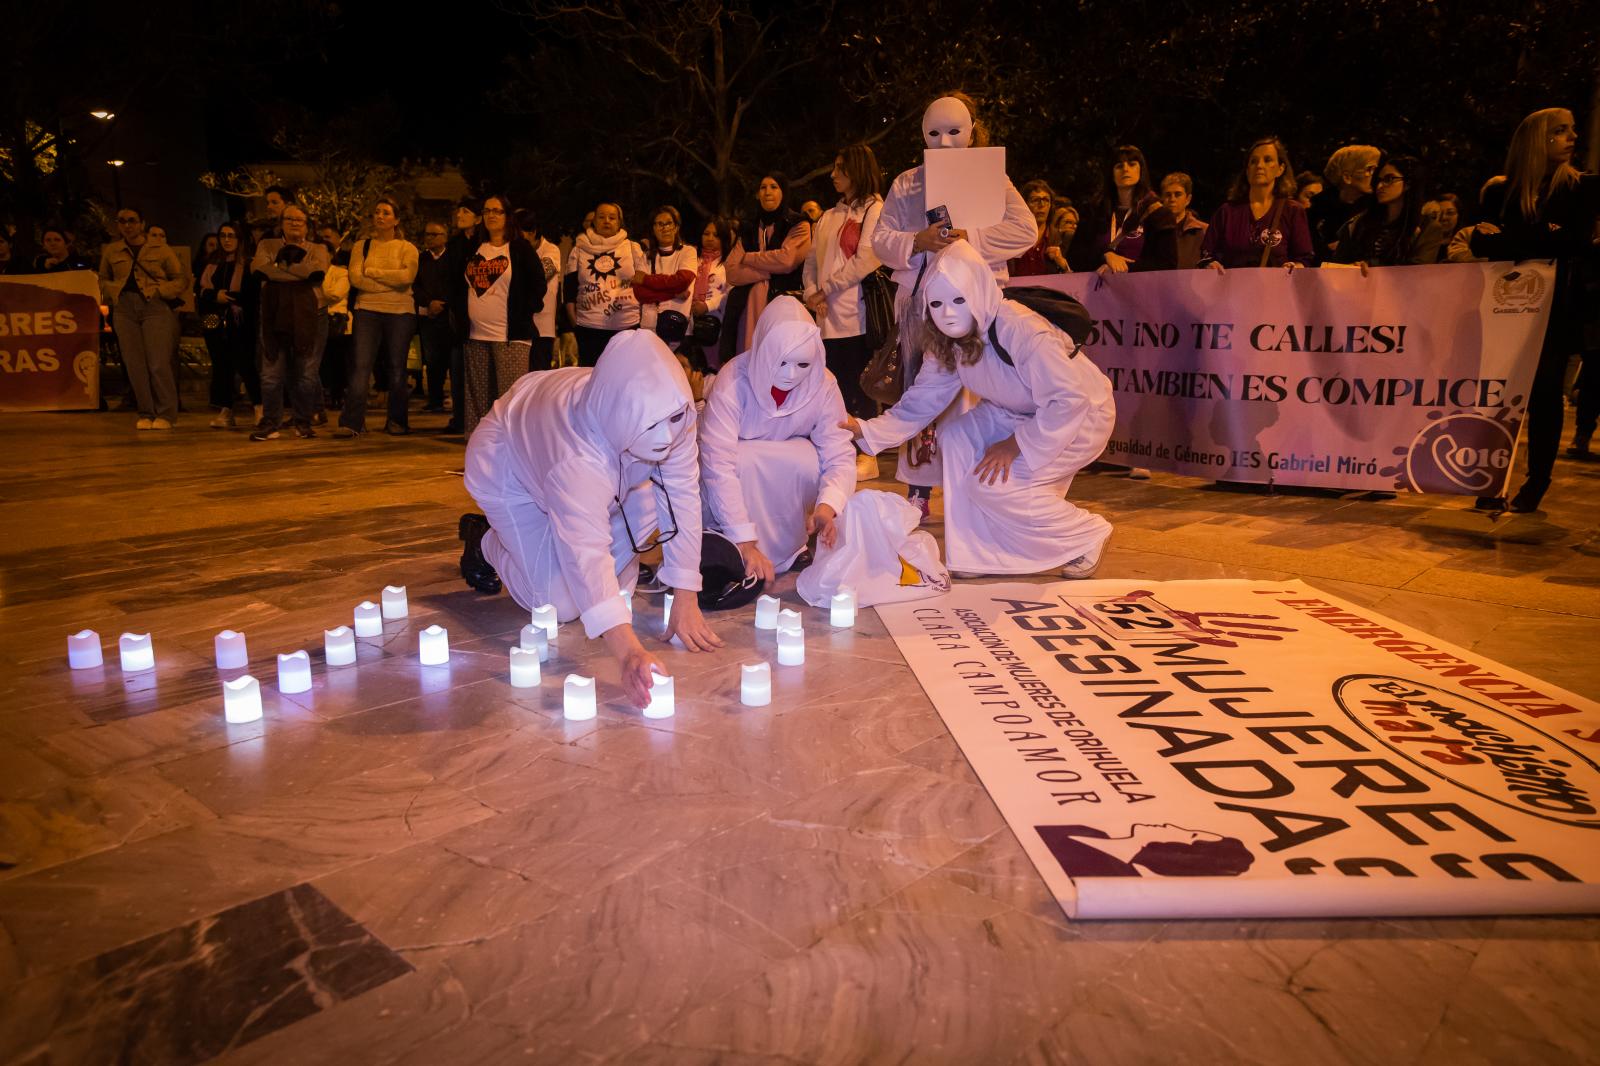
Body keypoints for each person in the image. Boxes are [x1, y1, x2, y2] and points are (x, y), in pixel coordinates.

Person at [459, 330, 724, 708]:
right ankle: (486, 541)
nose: (667, 436)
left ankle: (545, 539)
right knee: (558, 605)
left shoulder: (672, 409)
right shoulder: (577, 461)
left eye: (674, 419)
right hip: (508, 462)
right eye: (651, 425)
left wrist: (686, 594)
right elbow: (586, 551)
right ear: (621, 412)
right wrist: (629, 652)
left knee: (636, 519)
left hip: (574, 464)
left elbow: (681, 493)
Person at [844, 241, 1115, 577]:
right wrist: (865, 430)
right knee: (955, 436)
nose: (948, 313)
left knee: (992, 486)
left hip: (1078, 416)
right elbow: (922, 399)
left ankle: (1085, 534)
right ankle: (975, 551)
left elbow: (1069, 400)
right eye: (937, 304)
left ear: (978, 294)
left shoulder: (1021, 329)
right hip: (1015, 409)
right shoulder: (946, 341)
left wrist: (1014, 445)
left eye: (959, 300)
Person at [871, 90, 1037, 523]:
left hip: (979, 302)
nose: (944, 142)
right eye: (934, 132)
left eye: (954, 131)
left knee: (980, 391)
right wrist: (915, 242)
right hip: (922, 302)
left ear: (972, 130)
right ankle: (920, 490)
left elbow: (1026, 229)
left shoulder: (991, 178)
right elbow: (881, 238)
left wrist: (973, 237)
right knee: (924, 388)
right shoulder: (907, 182)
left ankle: (980, 488)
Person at [1470, 107, 1600, 513]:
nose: (1572, 137)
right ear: (1536, 139)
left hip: (1556, 309)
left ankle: (1537, 480)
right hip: (1505, 311)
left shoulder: (1581, 188)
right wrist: (1540, 236)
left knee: (1544, 394)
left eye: (1573, 131)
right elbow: (1481, 244)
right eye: (1561, 131)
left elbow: (1574, 243)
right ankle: (1490, 476)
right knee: (1499, 394)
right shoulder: (1498, 192)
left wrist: (1514, 238)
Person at [700, 296, 855, 582]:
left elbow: (839, 452)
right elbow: (716, 463)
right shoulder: (733, 380)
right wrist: (744, 540)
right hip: (736, 482)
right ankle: (731, 544)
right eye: (781, 362)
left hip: (786, 479)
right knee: (743, 458)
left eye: (803, 364)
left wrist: (828, 505)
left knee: (809, 458)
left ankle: (791, 546)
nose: (791, 374)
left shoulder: (824, 383)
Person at [804, 143, 885, 443]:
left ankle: (866, 449)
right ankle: (837, 447)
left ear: (858, 170)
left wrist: (826, 290)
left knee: (859, 386)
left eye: (841, 168)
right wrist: (812, 293)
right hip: (825, 318)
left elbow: (866, 259)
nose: (833, 174)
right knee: (831, 386)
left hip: (856, 317)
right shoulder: (828, 215)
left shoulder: (876, 209)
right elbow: (811, 260)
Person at [449, 194, 545, 435]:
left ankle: (511, 452)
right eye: (487, 211)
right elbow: (455, 283)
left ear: (507, 216)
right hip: (475, 336)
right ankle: (481, 449)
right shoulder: (473, 248)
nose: (491, 215)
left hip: (510, 337)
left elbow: (538, 285)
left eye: (497, 211)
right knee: (478, 402)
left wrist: (523, 311)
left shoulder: (519, 248)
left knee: (510, 400)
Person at [98, 206, 189, 430]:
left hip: (154, 306)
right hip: (124, 308)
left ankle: (166, 413)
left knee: (158, 362)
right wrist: (113, 291)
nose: (127, 225)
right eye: (121, 221)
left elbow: (180, 279)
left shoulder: (160, 248)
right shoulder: (112, 251)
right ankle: (146, 411)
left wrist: (161, 291)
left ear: (142, 223)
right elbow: (102, 278)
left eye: (131, 220)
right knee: (134, 364)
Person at [337, 196, 418, 437]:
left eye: (386, 212)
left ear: (396, 219)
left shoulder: (408, 248)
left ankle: (397, 420)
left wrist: (372, 272)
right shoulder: (362, 246)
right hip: (367, 310)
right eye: (377, 212)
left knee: (396, 368)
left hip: (400, 313)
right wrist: (388, 282)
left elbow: (407, 279)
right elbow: (355, 279)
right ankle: (352, 421)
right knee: (361, 366)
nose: (380, 216)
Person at [249, 205, 330, 441]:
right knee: (271, 372)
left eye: (300, 220)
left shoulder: (318, 249)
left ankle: (303, 421)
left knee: (306, 372)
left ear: (307, 225)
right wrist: (300, 272)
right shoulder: (267, 246)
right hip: (274, 315)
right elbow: (259, 271)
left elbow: (318, 273)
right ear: (281, 223)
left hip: (312, 315)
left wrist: (281, 267)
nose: (295, 223)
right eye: (290, 219)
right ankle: (270, 421)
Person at [723, 173, 812, 356]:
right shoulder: (748, 227)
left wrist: (747, 258)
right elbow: (732, 271)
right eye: (763, 187)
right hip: (745, 310)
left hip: (781, 303)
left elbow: (787, 260)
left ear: (783, 192)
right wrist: (769, 271)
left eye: (774, 187)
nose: (767, 192)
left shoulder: (798, 224)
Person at [1199, 137, 1314, 271]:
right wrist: (1210, 264)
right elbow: (1206, 254)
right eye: (1253, 161)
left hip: (1276, 290)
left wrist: (1295, 266)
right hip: (1234, 290)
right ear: (1247, 170)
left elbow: (1304, 259)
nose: (1259, 165)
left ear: (1280, 169)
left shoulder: (1292, 211)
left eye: (1267, 160)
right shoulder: (1226, 212)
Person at [564, 201, 644, 367]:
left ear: (619, 222)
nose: (606, 221)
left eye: (612, 217)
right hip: (588, 328)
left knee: (623, 375)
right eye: (601, 217)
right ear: (594, 221)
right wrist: (575, 323)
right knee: (589, 377)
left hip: (626, 327)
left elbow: (644, 284)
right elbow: (569, 290)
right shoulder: (579, 249)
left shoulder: (632, 248)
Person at [1328, 154, 1445, 267]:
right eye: (1379, 180)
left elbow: (1417, 271)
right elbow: (1338, 264)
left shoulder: (1426, 227)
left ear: (1408, 183)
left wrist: (1371, 265)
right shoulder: (1360, 222)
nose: (1380, 186)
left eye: (1389, 179)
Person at [198, 221, 258, 428]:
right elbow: (202, 292)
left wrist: (228, 297)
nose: (226, 240)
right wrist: (215, 295)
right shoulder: (213, 263)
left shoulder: (249, 263)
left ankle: (259, 408)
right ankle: (225, 410)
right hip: (215, 322)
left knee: (246, 364)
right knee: (221, 366)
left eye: (231, 235)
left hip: (241, 322)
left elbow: (252, 294)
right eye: (223, 235)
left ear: (240, 239)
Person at [1071, 146, 1161, 274]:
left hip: (1143, 289)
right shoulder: (1094, 211)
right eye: (1119, 166)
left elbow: (1165, 263)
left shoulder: (1157, 212)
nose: (1125, 169)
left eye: (1132, 164)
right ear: (1111, 174)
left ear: (1141, 170)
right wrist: (1105, 255)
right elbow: (1075, 257)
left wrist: (1125, 268)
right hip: (1098, 290)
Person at [632, 205, 698, 341]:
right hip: (649, 328)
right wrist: (673, 293)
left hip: (678, 327)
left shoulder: (688, 252)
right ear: (653, 228)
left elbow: (682, 281)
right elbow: (640, 293)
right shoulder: (646, 256)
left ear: (676, 227)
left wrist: (646, 279)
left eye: (669, 223)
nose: (665, 228)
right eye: (659, 224)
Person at [1307, 145, 1379, 261]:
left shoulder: (1376, 208)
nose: (1374, 175)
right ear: (1347, 177)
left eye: (1375, 169)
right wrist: (1325, 248)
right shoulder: (1316, 212)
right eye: (1369, 169)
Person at [413, 219, 454, 413]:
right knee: (432, 360)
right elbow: (415, 286)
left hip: (449, 316)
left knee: (452, 360)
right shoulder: (420, 259)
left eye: (433, 234)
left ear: (444, 237)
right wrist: (428, 303)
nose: (429, 238)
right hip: (427, 316)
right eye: (427, 234)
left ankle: (456, 398)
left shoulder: (454, 259)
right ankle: (435, 399)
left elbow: (457, 286)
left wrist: (442, 303)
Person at [517, 209, 561, 372]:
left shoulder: (551, 251)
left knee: (537, 377)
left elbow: (539, 276)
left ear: (533, 232)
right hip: (518, 328)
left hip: (541, 328)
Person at [690, 218, 733, 369]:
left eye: (716, 235)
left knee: (713, 369)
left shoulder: (729, 263)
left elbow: (729, 293)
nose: (710, 238)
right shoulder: (691, 259)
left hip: (716, 327)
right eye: (706, 233)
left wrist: (707, 306)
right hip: (690, 324)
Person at [1152, 173, 1208, 270]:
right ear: (1162, 199)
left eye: (1177, 194)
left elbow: (1210, 261)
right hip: (1159, 283)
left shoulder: (1203, 230)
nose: (1172, 199)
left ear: (1188, 199)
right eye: (1167, 195)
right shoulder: (1152, 230)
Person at [1009, 179, 1057, 277]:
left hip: (1045, 291)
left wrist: (1063, 265)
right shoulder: (1013, 234)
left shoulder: (1057, 237)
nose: (1042, 205)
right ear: (1024, 204)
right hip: (1016, 291)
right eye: (1035, 200)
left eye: (1046, 200)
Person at [1044, 204, 1079, 273]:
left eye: (1076, 223)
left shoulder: (1076, 248)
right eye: (1068, 222)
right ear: (1056, 224)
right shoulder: (1047, 244)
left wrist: (1065, 266)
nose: (1074, 226)